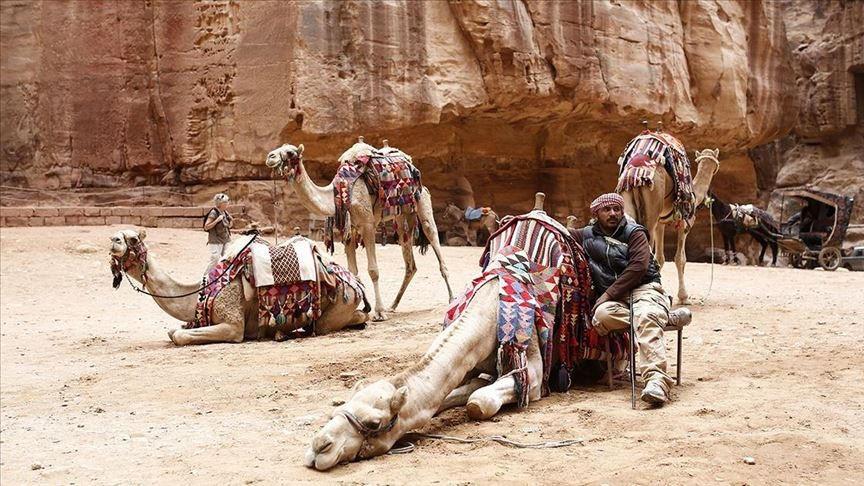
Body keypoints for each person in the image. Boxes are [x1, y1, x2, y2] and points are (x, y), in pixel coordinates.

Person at [569, 193, 691, 405]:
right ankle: (662, 318)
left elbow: (638, 268)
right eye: (607, 210)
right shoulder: (586, 235)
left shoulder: (635, 233)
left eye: (617, 209)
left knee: (645, 314)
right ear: (596, 213)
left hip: (644, 289)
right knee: (602, 316)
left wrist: (607, 294)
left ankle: (657, 381)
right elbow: (563, 234)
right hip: (619, 300)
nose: (613, 214)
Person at [204, 193, 233, 271]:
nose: (227, 204)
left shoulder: (225, 212)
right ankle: (206, 277)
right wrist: (216, 220)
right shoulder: (214, 213)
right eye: (226, 202)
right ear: (221, 204)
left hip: (226, 239)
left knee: (228, 257)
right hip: (216, 240)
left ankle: (224, 275)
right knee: (215, 258)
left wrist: (231, 221)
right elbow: (206, 227)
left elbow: (229, 226)